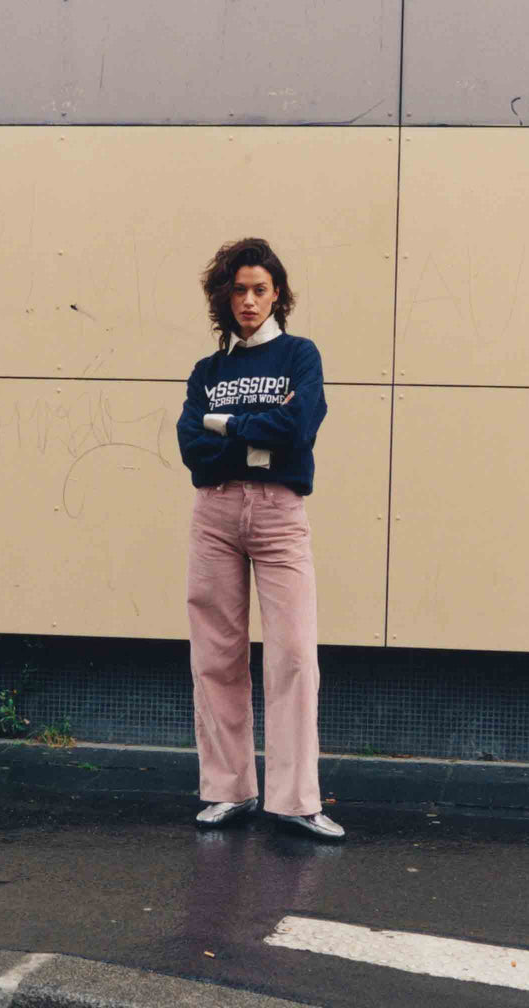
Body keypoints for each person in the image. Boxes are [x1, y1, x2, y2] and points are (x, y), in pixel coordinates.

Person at [176, 237, 344, 840]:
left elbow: (299, 431)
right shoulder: (208, 371)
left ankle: (296, 800)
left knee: (294, 654)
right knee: (216, 656)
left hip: (278, 515)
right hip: (215, 515)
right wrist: (251, 437)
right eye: (239, 290)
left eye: (260, 290)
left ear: (278, 295)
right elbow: (193, 451)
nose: (249, 300)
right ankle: (228, 790)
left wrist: (227, 427)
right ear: (225, 297)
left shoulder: (301, 356)